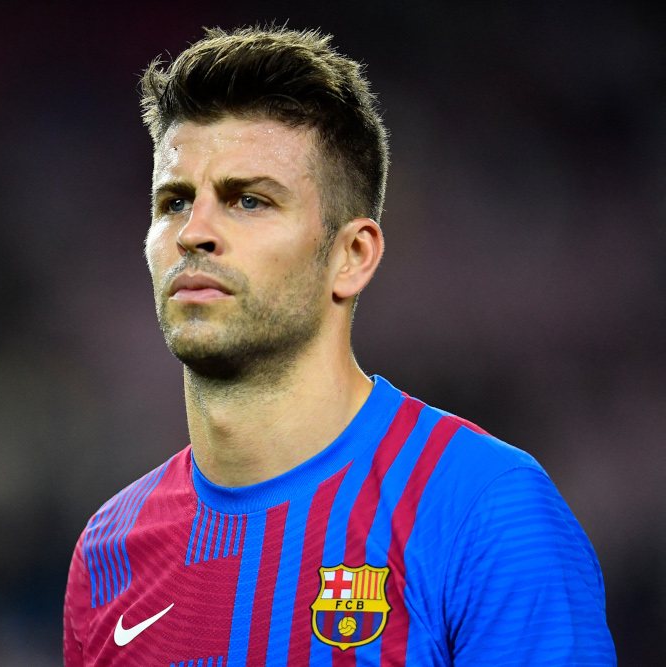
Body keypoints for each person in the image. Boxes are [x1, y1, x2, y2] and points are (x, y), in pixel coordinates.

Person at [63, 26, 615, 666]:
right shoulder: (107, 553)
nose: (196, 232)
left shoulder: (485, 511)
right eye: (175, 201)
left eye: (249, 200)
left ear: (352, 256)